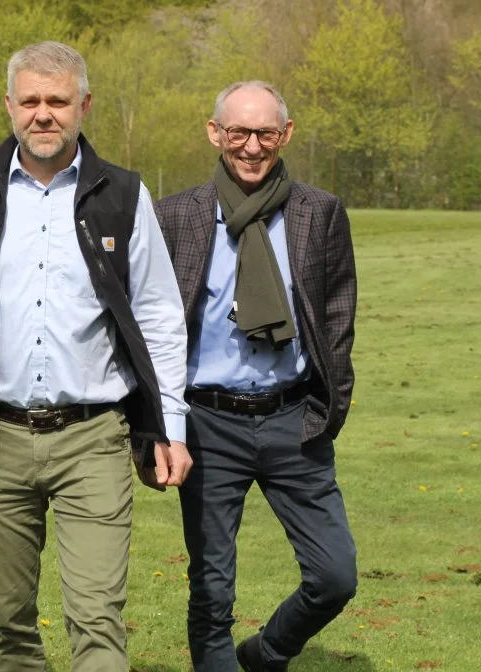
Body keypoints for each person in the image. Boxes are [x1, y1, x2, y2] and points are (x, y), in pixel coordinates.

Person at [0, 41, 192, 671]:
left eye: (58, 101)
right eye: (30, 101)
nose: (43, 114)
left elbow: (160, 319)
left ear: (85, 105)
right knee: (8, 625)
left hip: (95, 440)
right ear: (9, 105)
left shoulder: (124, 196)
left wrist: (171, 428)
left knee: (97, 618)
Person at [153, 81, 358, 672]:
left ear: (285, 135)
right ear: (214, 133)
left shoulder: (319, 213)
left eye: (264, 133)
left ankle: (267, 653)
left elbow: (339, 313)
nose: (250, 146)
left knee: (335, 575)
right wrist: (160, 426)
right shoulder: (174, 217)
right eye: (237, 132)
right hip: (208, 422)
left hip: (295, 420)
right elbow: (149, 326)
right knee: (212, 588)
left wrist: (329, 404)